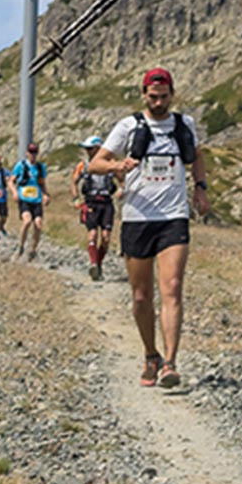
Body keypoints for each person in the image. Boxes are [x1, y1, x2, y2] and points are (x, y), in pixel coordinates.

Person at [87, 68, 209, 388]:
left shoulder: (184, 124)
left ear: (172, 94)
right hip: (137, 217)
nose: (158, 102)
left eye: (164, 97)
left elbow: (197, 157)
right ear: (143, 94)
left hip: (173, 216)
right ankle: (150, 354)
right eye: (153, 97)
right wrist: (117, 166)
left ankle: (170, 363)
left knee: (172, 287)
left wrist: (200, 188)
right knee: (141, 297)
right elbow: (95, 163)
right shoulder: (128, 126)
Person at [70, 136, 119, 281]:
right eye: (86, 149)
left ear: (98, 149)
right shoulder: (82, 166)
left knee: (106, 237)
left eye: (90, 148)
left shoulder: (110, 164)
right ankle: (93, 264)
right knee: (92, 234)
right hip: (90, 202)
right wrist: (76, 198)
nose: (87, 151)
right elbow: (73, 182)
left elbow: (121, 177)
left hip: (106, 202)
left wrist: (122, 189)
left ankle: (98, 264)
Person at [11, 142, 49, 261]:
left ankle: (32, 250)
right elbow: (11, 181)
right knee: (27, 221)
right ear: (27, 153)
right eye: (31, 152)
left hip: (36, 200)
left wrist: (46, 195)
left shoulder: (40, 168)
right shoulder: (20, 166)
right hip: (24, 199)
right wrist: (14, 192)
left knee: (38, 224)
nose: (33, 155)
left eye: (35, 152)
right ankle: (20, 246)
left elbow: (42, 183)